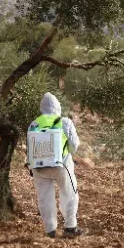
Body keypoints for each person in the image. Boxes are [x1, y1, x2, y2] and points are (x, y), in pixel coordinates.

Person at [27, 93, 83, 239]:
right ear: (57, 107)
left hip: (39, 168)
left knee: (44, 197)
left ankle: (50, 230)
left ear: (42, 108)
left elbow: (30, 147)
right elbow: (74, 146)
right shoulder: (65, 122)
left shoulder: (34, 124)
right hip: (61, 166)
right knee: (69, 194)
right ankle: (70, 227)